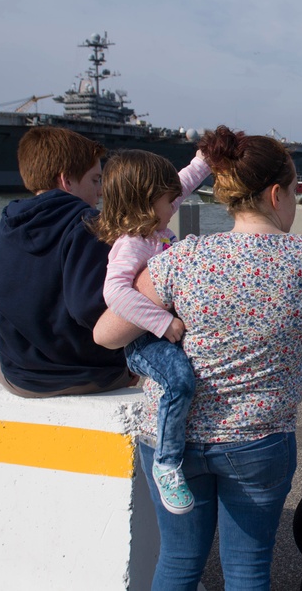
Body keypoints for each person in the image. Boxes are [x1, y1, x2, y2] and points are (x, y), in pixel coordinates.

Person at [94, 125, 302, 590]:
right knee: (247, 569)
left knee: (179, 562)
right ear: (275, 194)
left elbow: (106, 334)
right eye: (293, 191)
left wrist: (166, 318)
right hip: (259, 437)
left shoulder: (182, 260)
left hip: (172, 439)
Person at [89, 148, 212, 515]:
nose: (176, 201)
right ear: (145, 201)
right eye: (168, 197)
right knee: (179, 381)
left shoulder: (153, 227)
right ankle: (167, 463)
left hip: (161, 329)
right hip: (144, 339)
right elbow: (114, 292)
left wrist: (205, 160)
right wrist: (162, 323)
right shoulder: (133, 242)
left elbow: (183, 183)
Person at [0, 126, 134, 397]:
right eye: (95, 180)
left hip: (20, 375)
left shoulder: (7, 223)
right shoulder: (88, 225)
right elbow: (90, 311)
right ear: (66, 181)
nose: (101, 192)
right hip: (85, 375)